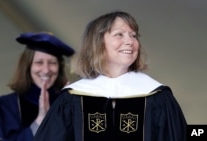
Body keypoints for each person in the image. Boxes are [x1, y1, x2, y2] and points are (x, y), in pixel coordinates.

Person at [33, 11, 187, 141]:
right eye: (119, 34)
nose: (129, 41)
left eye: (133, 36)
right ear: (98, 43)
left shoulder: (158, 97)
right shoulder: (72, 98)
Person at [0, 32, 75, 141]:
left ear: (60, 68)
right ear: (27, 66)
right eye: (39, 62)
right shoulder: (6, 106)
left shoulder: (69, 105)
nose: (46, 70)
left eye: (52, 63)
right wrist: (40, 121)